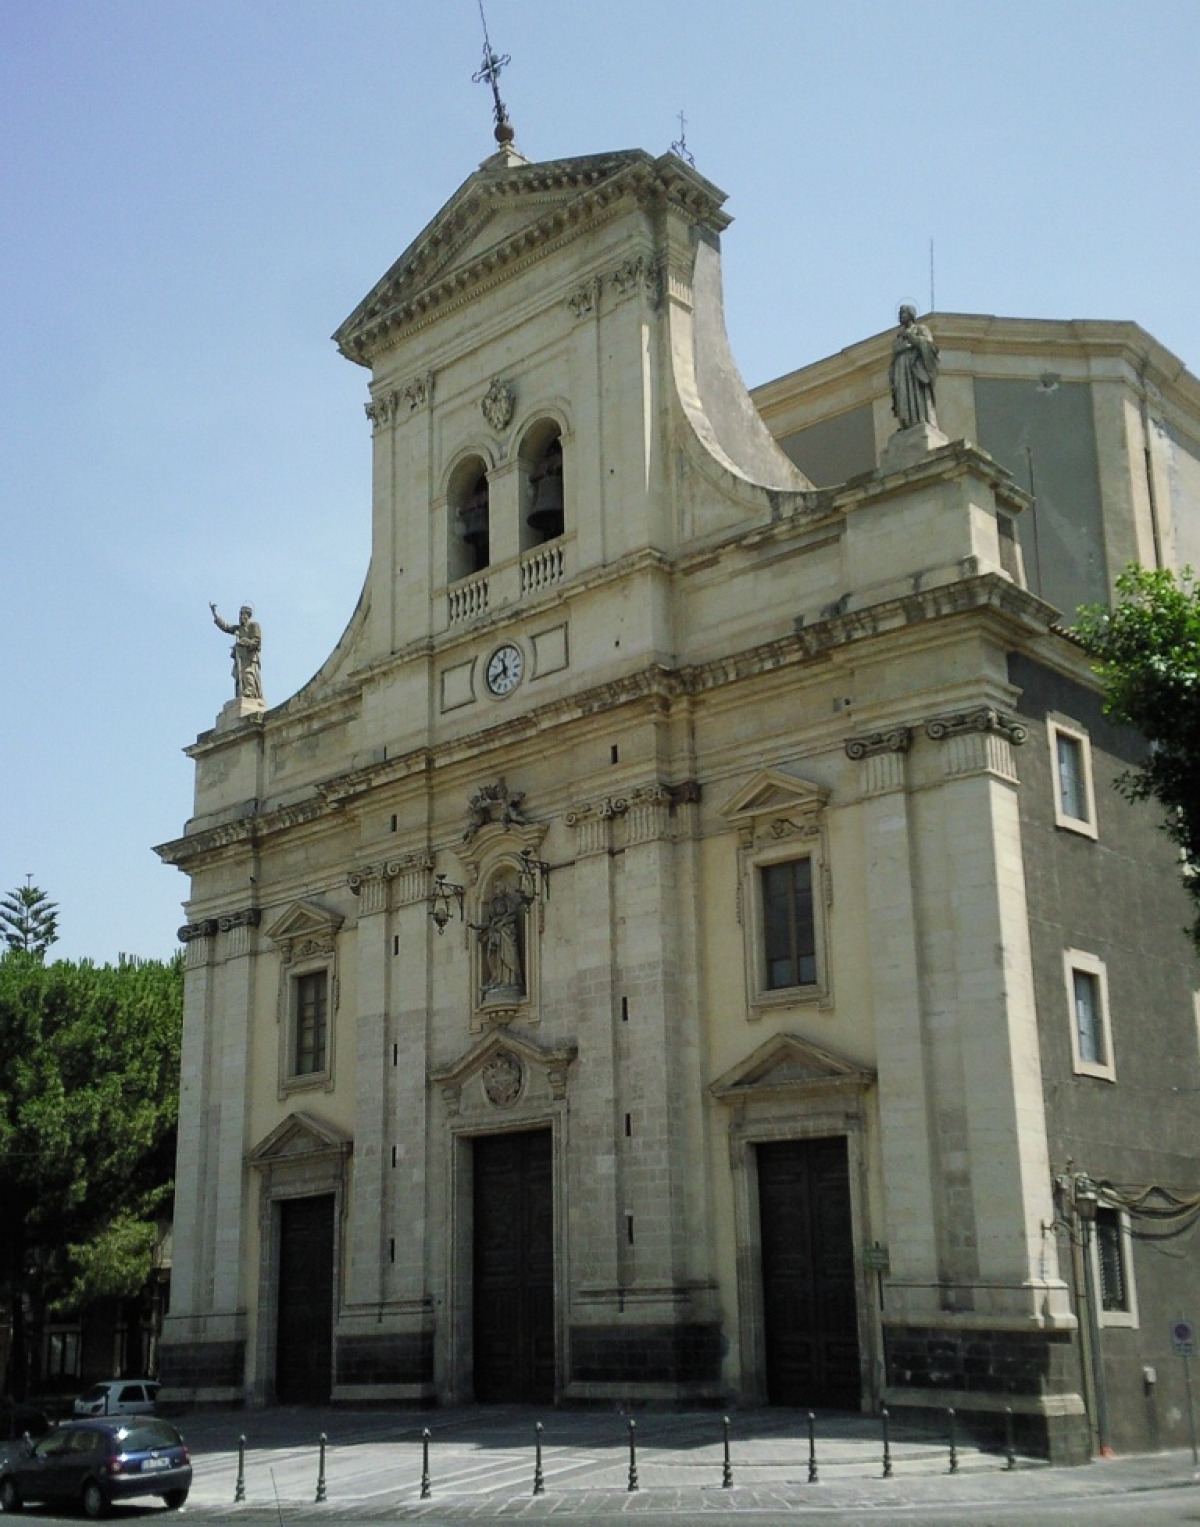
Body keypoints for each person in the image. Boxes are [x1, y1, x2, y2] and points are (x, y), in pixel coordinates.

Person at [889, 305, 940, 429]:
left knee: (916, 391)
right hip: (900, 368)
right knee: (903, 394)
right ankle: (906, 422)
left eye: (903, 313)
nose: (900, 315)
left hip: (914, 366)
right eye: (900, 313)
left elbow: (930, 346)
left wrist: (912, 337)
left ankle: (920, 418)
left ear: (911, 314)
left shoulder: (920, 329)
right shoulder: (899, 336)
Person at [210, 603, 263, 700]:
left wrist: (245, 642)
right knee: (239, 676)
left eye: (243, 614)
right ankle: (241, 694)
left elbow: (257, 641)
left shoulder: (253, 626)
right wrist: (215, 615)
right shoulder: (238, 628)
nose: (241, 617)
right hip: (240, 657)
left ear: (248, 615)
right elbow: (226, 627)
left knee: (247, 673)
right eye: (240, 614)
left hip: (250, 657)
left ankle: (250, 691)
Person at [478, 885, 524, 993]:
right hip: (497, 940)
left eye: (497, 888)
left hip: (507, 937)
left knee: (509, 957)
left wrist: (502, 924)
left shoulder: (509, 908)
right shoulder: (494, 921)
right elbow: (486, 925)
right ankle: (497, 979)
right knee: (493, 956)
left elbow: (512, 916)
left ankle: (510, 981)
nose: (499, 908)